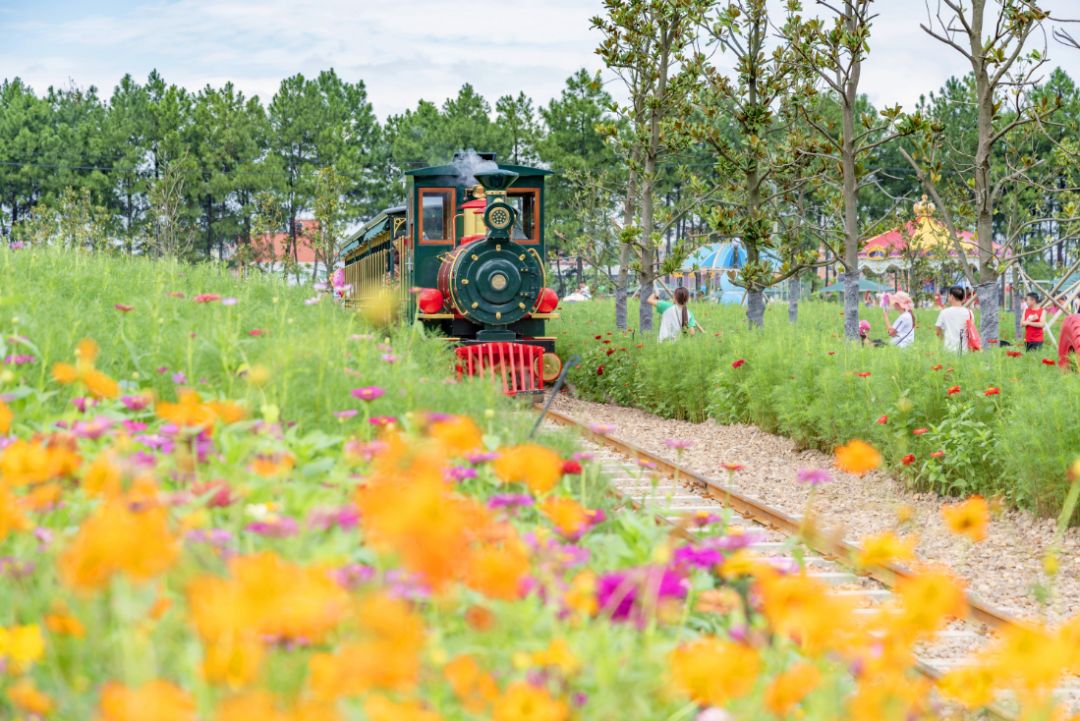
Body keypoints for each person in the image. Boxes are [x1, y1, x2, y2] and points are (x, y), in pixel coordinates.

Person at [935, 286, 972, 353]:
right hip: (964, 350)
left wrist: (942, 338)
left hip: (948, 349)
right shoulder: (969, 312)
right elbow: (970, 329)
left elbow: (938, 328)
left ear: (951, 297)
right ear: (963, 298)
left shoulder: (944, 312)